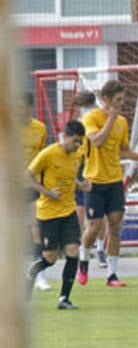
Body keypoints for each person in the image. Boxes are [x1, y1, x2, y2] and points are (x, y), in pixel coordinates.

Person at [77, 80, 138, 287]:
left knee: (115, 225)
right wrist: (111, 118)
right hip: (94, 180)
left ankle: (112, 275)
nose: (122, 103)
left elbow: (124, 149)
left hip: (114, 180)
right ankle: (83, 257)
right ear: (106, 100)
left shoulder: (122, 121)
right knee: (94, 226)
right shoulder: (91, 117)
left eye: (123, 99)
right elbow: (98, 141)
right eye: (118, 100)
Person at [26, 120, 91, 309]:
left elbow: (70, 179)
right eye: (76, 141)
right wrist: (46, 192)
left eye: (81, 142)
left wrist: (81, 185)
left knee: (73, 253)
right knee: (50, 258)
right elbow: (28, 175)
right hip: (48, 214)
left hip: (68, 211)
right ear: (66, 136)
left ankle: (64, 299)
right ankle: (31, 271)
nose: (78, 145)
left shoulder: (77, 156)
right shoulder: (48, 154)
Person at [72, 90, 108, 268]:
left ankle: (100, 249)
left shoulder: (99, 120)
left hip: (96, 168)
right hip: (81, 167)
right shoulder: (78, 124)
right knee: (81, 212)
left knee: (98, 216)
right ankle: (83, 248)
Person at [21, 92, 51, 291]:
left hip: (30, 186)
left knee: (35, 228)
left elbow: (43, 158)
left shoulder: (39, 128)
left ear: (30, 107)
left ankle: (39, 275)